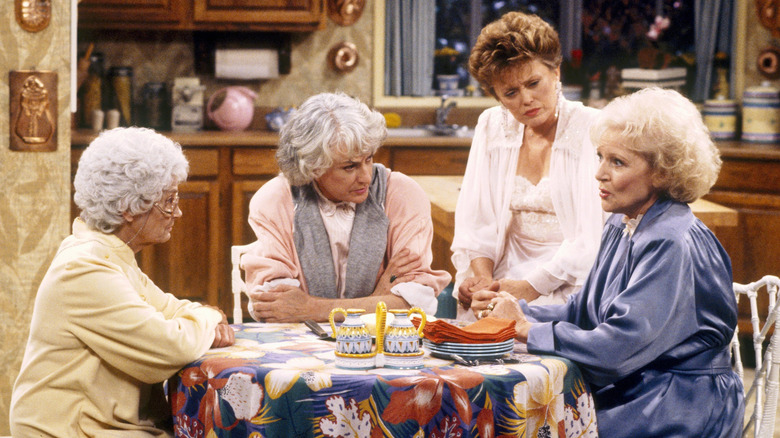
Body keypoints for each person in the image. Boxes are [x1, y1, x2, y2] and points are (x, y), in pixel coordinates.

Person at [486, 87, 745, 437]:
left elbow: (615, 348)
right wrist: (516, 312)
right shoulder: (622, 223)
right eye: (600, 157)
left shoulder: (670, 241)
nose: (600, 173)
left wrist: (526, 330)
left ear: (663, 172)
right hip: (637, 391)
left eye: (617, 162)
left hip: (678, 405)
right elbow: (584, 311)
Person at [10, 127, 235, 437]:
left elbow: (172, 308)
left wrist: (196, 317)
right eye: (168, 201)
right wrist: (209, 316)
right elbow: (171, 347)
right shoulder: (85, 268)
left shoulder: (111, 256)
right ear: (128, 208)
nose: (178, 212)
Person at [243, 92, 451, 322]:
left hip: (381, 343)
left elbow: (416, 305)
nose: (366, 177)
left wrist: (311, 308)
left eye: (369, 159)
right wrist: (379, 298)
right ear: (314, 167)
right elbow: (275, 309)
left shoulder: (403, 195)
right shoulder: (275, 199)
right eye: (350, 167)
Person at [452, 11, 605, 320]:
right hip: (504, 276)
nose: (526, 99)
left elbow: (592, 238)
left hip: (572, 280)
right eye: (510, 92)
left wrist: (531, 287)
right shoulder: (491, 126)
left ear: (556, 72)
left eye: (534, 83)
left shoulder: (594, 128)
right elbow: (477, 222)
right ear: (496, 95)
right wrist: (482, 280)